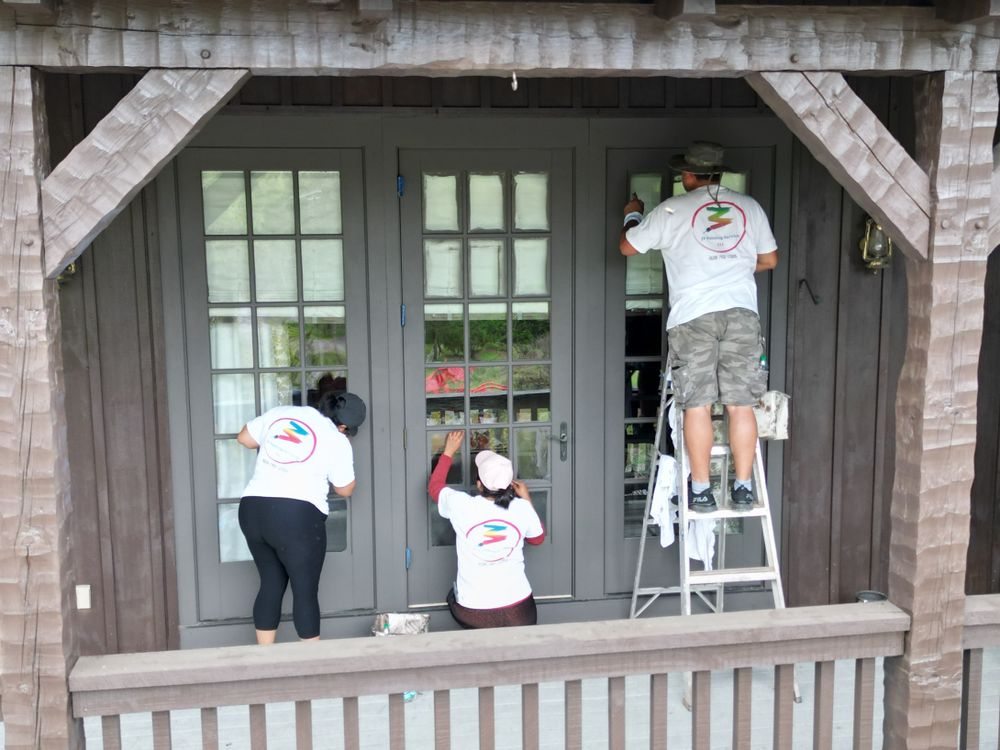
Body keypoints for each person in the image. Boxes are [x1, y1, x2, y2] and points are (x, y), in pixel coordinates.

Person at [619, 141, 778, 513]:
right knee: (741, 406)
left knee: (698, 406)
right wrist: (732, 268)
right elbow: (769, 259)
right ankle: (742, 487)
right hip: (741, 313)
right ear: (719, 173)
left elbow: (628, 246)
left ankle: (703, 490)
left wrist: (632, 215)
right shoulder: (749, 207)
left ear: (687, 175)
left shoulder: (672, 209)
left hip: (693, 317)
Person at [236, 391, 367, 644]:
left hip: (253, 509)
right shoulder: (336, 439)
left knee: (270, 583)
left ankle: (265, 664)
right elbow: (345, 489)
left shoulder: (283, 413)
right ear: (343, 426)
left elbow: (244, 438)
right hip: (296, 516)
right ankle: (311, 667)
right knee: (304, 591)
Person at [428, 431, 545, 628]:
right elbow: (537, 538)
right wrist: (526, 499)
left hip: (474, 612)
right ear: (510, 485)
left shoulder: (461, 504)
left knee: (453, 597)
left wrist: (448, 451)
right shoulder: (521, 507)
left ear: (479, 484)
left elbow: (435, 486)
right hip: (520, 611)